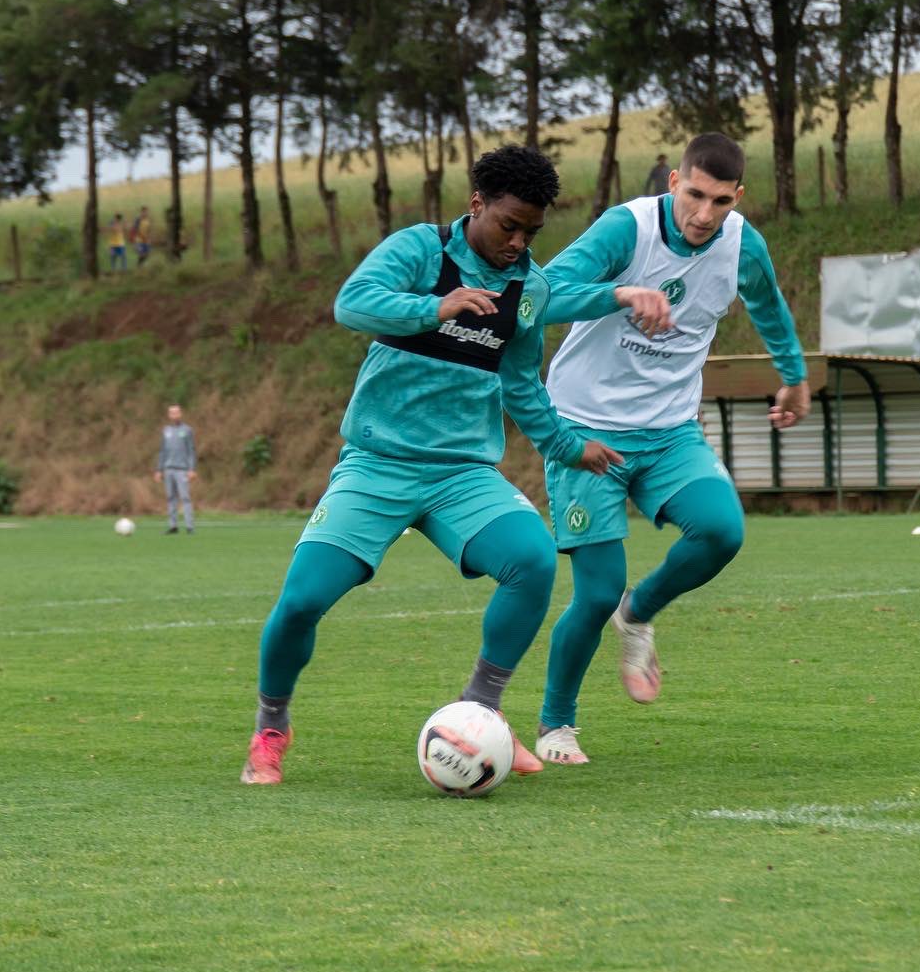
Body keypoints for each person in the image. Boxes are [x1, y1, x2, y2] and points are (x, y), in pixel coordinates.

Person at [239, 145, 672, 785]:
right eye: (509, 225)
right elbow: (352, 303)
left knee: (530, 558)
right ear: (477, 205)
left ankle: (481, 713)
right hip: (378, 464)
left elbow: (523, 385)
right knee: (301, 601)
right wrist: (432, 307)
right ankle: (271, 728)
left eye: (531, 231)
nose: (519, 241)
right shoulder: (420, 250)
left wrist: (567, 445)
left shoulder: (528, 286)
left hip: (460, 474)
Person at [532, 132, 811, 766]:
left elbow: (768, 305)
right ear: (672, 183)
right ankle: (557, 724)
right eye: (693, 195)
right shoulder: (624, 230)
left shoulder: (742, 243)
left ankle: (640, 615)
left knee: (721, 531)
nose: (703, 214)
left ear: (737, 197)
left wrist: (793, 377)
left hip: (669, 431)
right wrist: (620, 293)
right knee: (595, 590)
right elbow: (541, 295)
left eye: (719, 200)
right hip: (584, 430)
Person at [154, 404, 196, 534]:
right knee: (170, 497)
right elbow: (162, 451)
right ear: (169, 415)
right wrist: (159, 470)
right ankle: (173, 526)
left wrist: (192, 469)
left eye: (177, 413)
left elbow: (191, 451)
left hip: (182, 469)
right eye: (172, 413)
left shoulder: (187, 430)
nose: (174, 415)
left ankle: (190, 526)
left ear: (180, 414)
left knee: (185, 497)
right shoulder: (166, 431)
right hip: (168, 469)